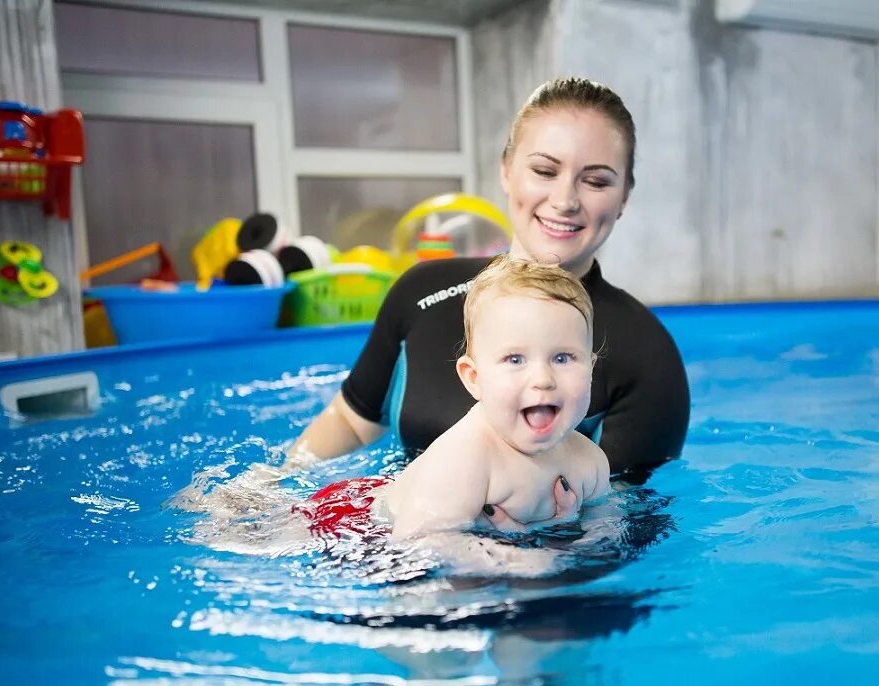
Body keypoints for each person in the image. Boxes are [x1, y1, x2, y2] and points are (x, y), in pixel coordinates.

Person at [289, 76, 690, 495]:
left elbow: (620, 523)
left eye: (596, 181)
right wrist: (269, 487)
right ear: (507, 171)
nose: (565, 200)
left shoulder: (647, 356)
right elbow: (352, 422)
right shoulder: (421, 293)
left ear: (624, 196)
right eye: (544, 170)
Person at [297, 255, 610, 540]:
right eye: (515, 360)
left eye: (563, 358)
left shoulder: (590, 462)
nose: (542, 379)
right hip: (355, 522)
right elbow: (418, 543)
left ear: (591, 368)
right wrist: (513, 561)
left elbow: (605, 524)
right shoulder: (466, 460)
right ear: (474, 379)